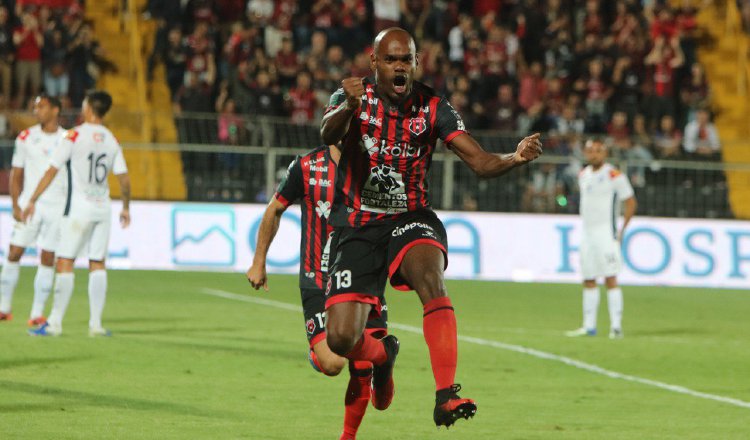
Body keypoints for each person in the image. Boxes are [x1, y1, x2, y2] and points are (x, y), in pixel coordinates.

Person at [319, 28, 543, 427]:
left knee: (431, 279)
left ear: (417, 62)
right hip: (358, 223)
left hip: (412, 218)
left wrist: (515, 157)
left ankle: (445, 396)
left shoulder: (434, 107)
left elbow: (480, 162)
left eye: (407, 59)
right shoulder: (352, 97)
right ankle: (382, 355)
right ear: (375, 63)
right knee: (340, 340)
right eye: (391, 60)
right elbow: (327, 134)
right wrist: (349, 107)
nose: (400, 66)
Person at [247, 144, 387, 440]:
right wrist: (259, 261)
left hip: (362, 276)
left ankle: (348, 436)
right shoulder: (307, 166)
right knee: (334, 363)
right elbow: (275, 208)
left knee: (367, 373)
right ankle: (328, 352)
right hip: (317, 278)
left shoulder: (372, 164)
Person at [24, 90, 131, 337]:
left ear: (89, 108)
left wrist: (32, 199)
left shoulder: (74, 136)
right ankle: (96, 325)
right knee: (98, 263)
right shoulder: (112, 139)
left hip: (79, 209)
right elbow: (123, 179)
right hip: (102, 208)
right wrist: (126, 207)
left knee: (65, 262)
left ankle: (55, 323)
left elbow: (51, 171)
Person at [0, 94, 66, 325]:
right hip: (30, 206)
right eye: (35, 107)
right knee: (14, 252)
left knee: (48, 257)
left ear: (56, 110)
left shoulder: (68, 139)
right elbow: (16, 174)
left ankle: (36, 313)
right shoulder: (26, 138)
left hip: (57, 208)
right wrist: (15, 203)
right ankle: (3, 307)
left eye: (42, 106)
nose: (36, 110)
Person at [566, 139, 636, 339]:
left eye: (598, 151)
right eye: (590, 151)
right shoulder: (583, 174)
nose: (594, 154)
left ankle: (616, 327)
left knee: (610, 278)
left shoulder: (614, 175)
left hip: (606, 234)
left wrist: (621, 230)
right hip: (587, 235)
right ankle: (589, 326)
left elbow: (630, 202)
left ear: (605, 154)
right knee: (588, 279)